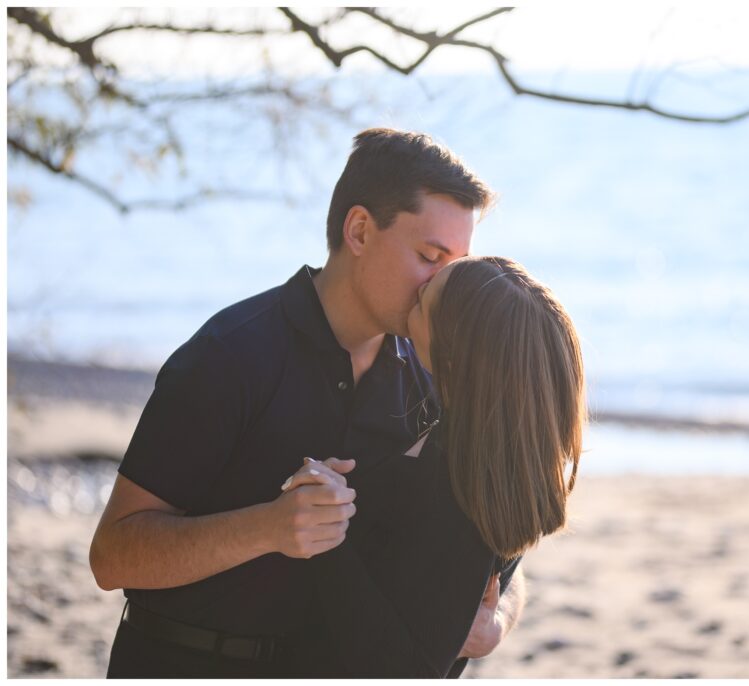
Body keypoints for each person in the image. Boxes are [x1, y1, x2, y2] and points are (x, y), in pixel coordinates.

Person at [89, 128, 524, 677]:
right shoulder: (230, 355)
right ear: (360, 230)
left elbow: (495, 540)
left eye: (457, 268)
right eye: (429, 257)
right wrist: (266, 527)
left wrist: (498, 618)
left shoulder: (433, 377)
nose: (442, 287)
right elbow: (111, 555)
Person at [278, 256, 586, 677]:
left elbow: (407, 669)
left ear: (455, 354)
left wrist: (327, 534)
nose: (417, 287)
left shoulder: (451, 490)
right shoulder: (508, 471)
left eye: (425, 301)